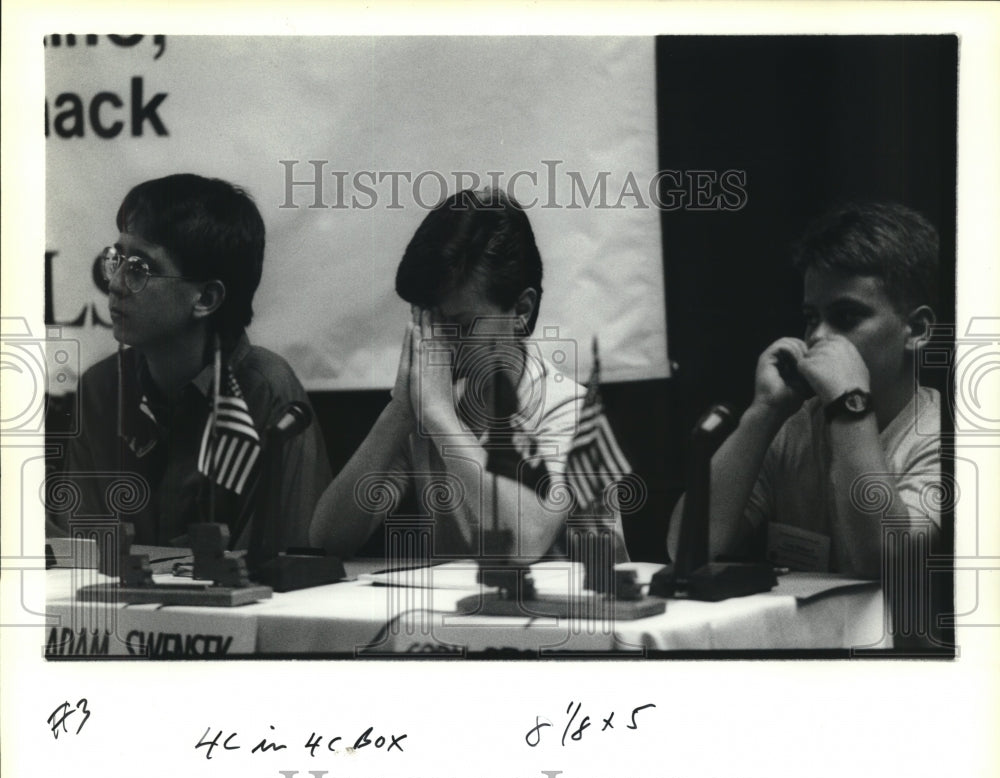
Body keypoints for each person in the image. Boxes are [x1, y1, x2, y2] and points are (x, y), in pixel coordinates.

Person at [310, 188, 628, 564]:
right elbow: (327, 542)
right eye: (429, 321)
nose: (440, 343)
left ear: (521, 310)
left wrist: (441, 419)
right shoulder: (429, 405)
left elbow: (523, 541)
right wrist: (400, 411)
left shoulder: (569, 410)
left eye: (459, 324)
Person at [48, 173, 331, 552]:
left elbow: (287, 561)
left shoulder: (267, 390)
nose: (114, 284)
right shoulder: (101, 388)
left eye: (139, 269)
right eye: (117, 260)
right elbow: (83, 553)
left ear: (206, 298)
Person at [668, 201, 942, 582]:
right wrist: (763, 413)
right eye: (812, 317)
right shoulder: (795, 425)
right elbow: (687, 547)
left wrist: (850, 407)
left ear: (916, 330)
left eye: (846, 317)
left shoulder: (950, 440)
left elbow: (883, 563)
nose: (817, 337)